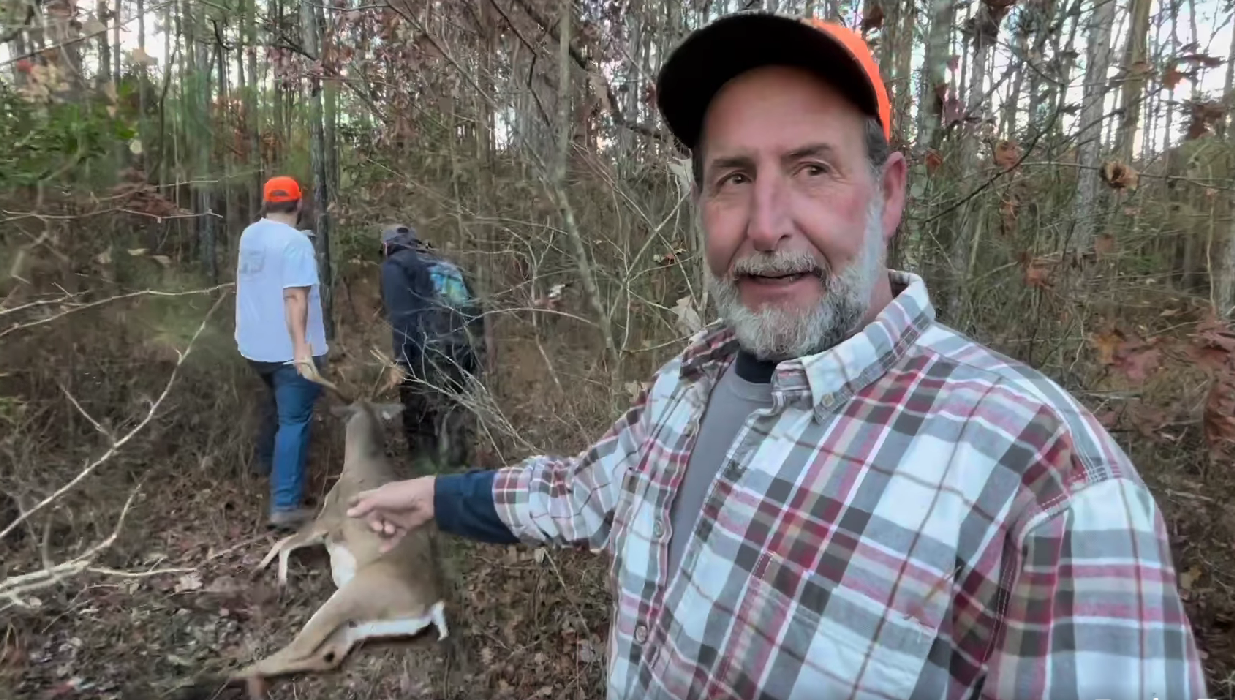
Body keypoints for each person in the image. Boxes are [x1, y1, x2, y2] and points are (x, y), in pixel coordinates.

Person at [347, 13, 1206, 700]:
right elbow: (585, 493)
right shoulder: (695, 377)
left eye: (811, 169)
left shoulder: (1046, 478)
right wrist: (431, 494)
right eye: (731, 179)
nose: (765, 224)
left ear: (889, 191)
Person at [235, 175, 330, 530]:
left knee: (274, 403)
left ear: (266, 203)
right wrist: (302, 350)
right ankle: (285, 505)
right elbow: (295, 296)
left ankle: (264, 464)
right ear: (299, 203)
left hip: (255, 348)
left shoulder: (250, 235)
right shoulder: (294, 243)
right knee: (294, 420)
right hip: (289, 352)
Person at [379, 224, 484, 470]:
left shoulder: (395, 266)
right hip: (463, 348)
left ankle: (425, 477)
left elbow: (403, 315)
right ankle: (459, 475)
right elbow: (475, 309)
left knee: (419, 416)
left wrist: (402, 360)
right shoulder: (446, 265)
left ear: (386, 247)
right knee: (453, 412)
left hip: (428, 351)